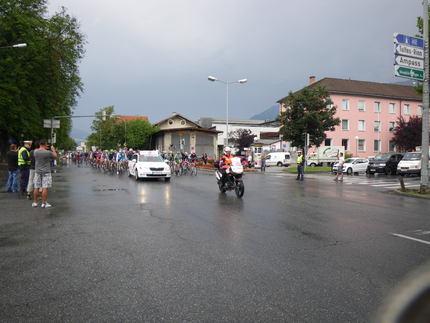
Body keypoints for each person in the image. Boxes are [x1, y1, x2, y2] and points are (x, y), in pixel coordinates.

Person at [33, 140, 57, 208]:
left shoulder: (35, 151)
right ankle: (44, 203)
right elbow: (55, 156)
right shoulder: (48, 152)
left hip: (37, 171)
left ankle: (35, 202)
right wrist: (53, 150)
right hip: (46, 172)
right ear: (45, 144)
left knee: (36, 187)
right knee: (45, 187)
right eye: (46, 144)